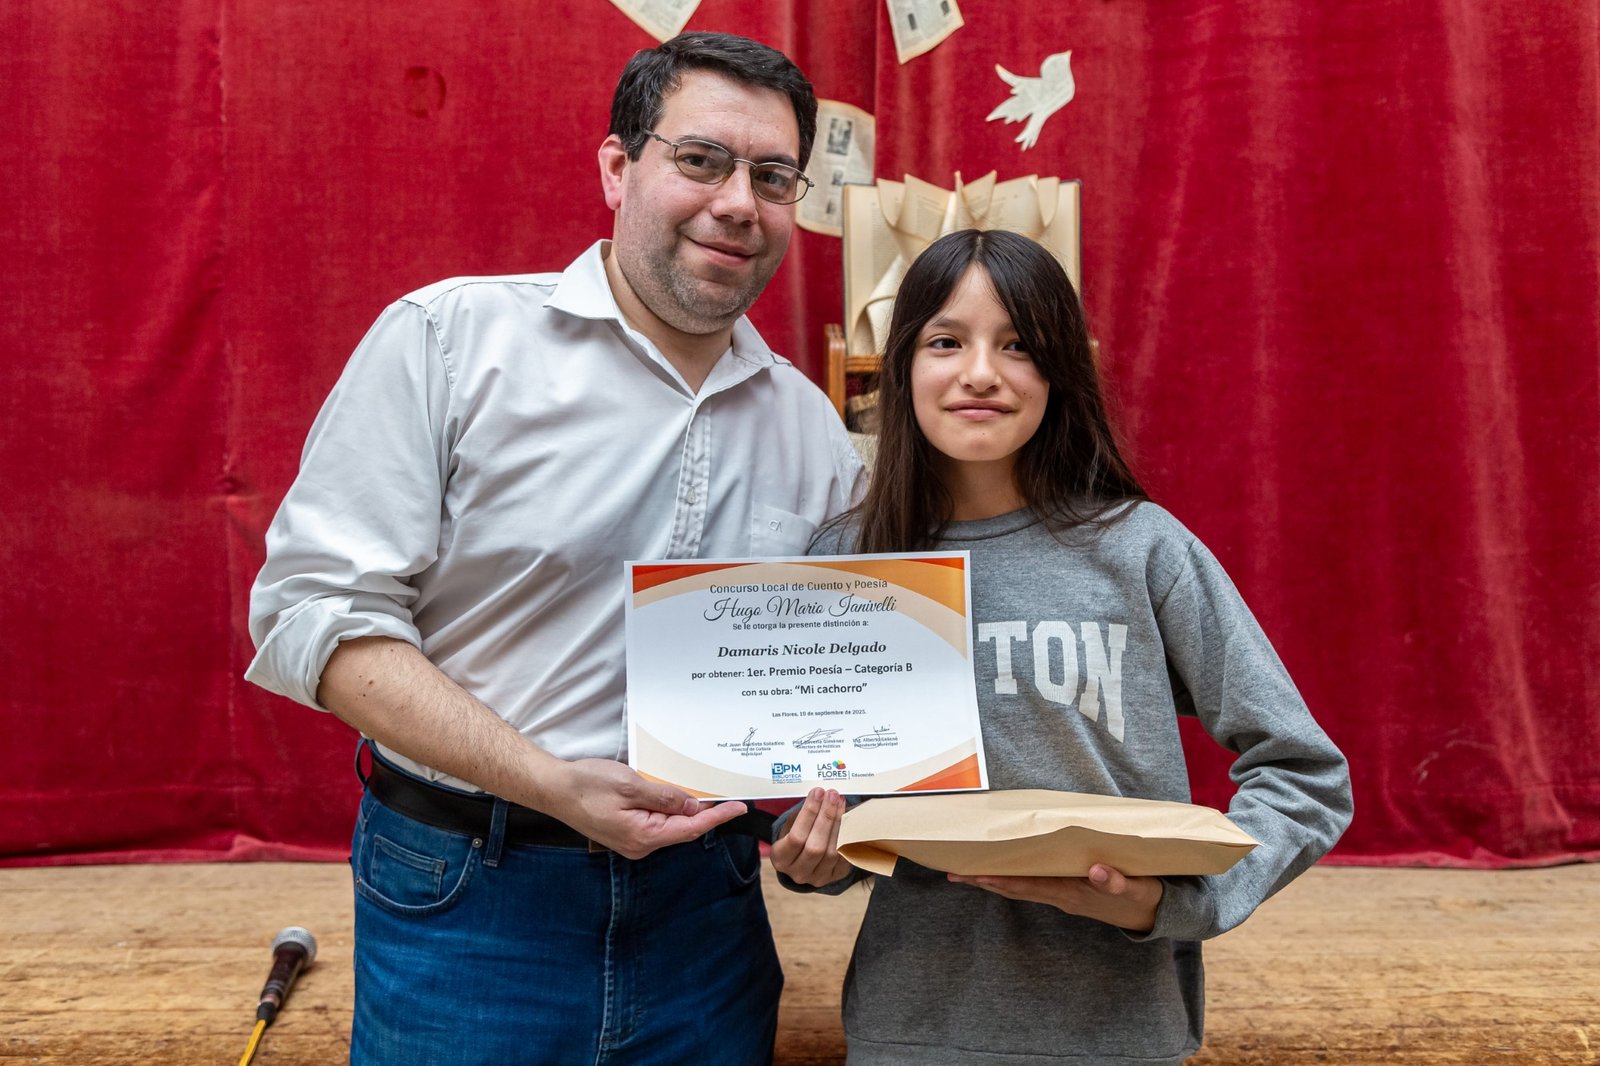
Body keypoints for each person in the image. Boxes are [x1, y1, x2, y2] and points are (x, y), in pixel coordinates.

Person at [245, 31, 863, 1066]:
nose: (738, 204)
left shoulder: (815, 437)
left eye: (771, 177)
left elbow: (833, 701)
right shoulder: (448, 341)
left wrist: (831, 829)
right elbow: (314, 617)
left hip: (708, 919)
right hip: (467, 899)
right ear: (618, 168)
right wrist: (544, 780)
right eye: (701, 160)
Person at [770, 229, 1352, 1065]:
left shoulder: (1144, 550)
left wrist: (1174, 902)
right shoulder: (848, 565)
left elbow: (1306, 775)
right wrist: (815, 857)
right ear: (901, 368)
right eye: (946, 341)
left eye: (1018, 345)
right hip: (912, 1030)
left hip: (1119, 1033)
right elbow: (839, 805)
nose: (980, 372)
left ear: (1060, 372)